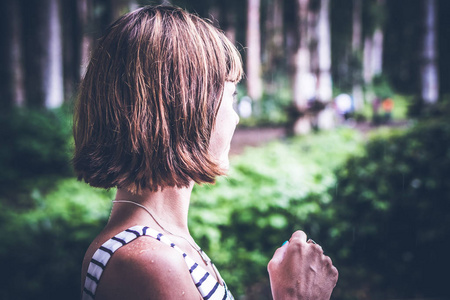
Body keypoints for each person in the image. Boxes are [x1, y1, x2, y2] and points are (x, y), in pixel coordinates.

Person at [74, 6, 338, 300]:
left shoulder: (157, 245)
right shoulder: (146, 262)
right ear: (188, 106)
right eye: (231, 96)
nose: (236, 118)